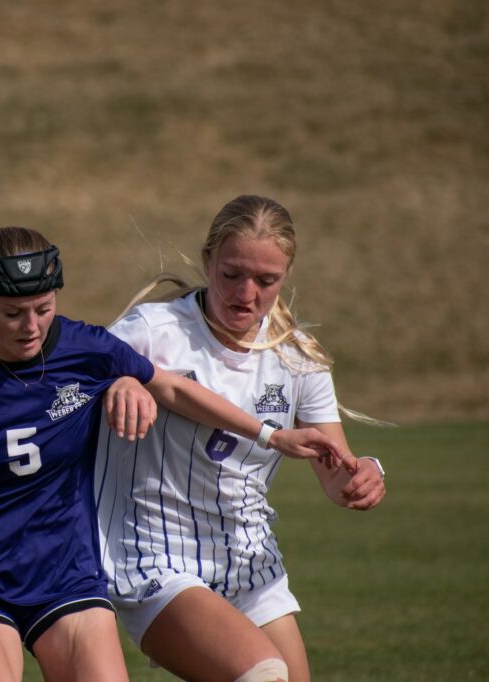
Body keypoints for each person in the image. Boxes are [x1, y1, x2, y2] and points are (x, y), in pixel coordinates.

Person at [0, 226, 346, 682]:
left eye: (42, 309)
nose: (31, 326)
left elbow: (172, 388)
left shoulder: (87, 348)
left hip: (66, 575)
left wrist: (272, 437)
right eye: (12, 313)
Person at [95, 195, 388, 682]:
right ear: (208, 260)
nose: (246, 292)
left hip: (250, 561)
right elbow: (75, 383)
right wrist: (121, 380)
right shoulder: (151, 331)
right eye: (232, 274)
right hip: (153, 556)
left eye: (266, 280)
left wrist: (366, 474)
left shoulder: (299, 356)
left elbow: (338, 478)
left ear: (286, 276)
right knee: (261, 675)